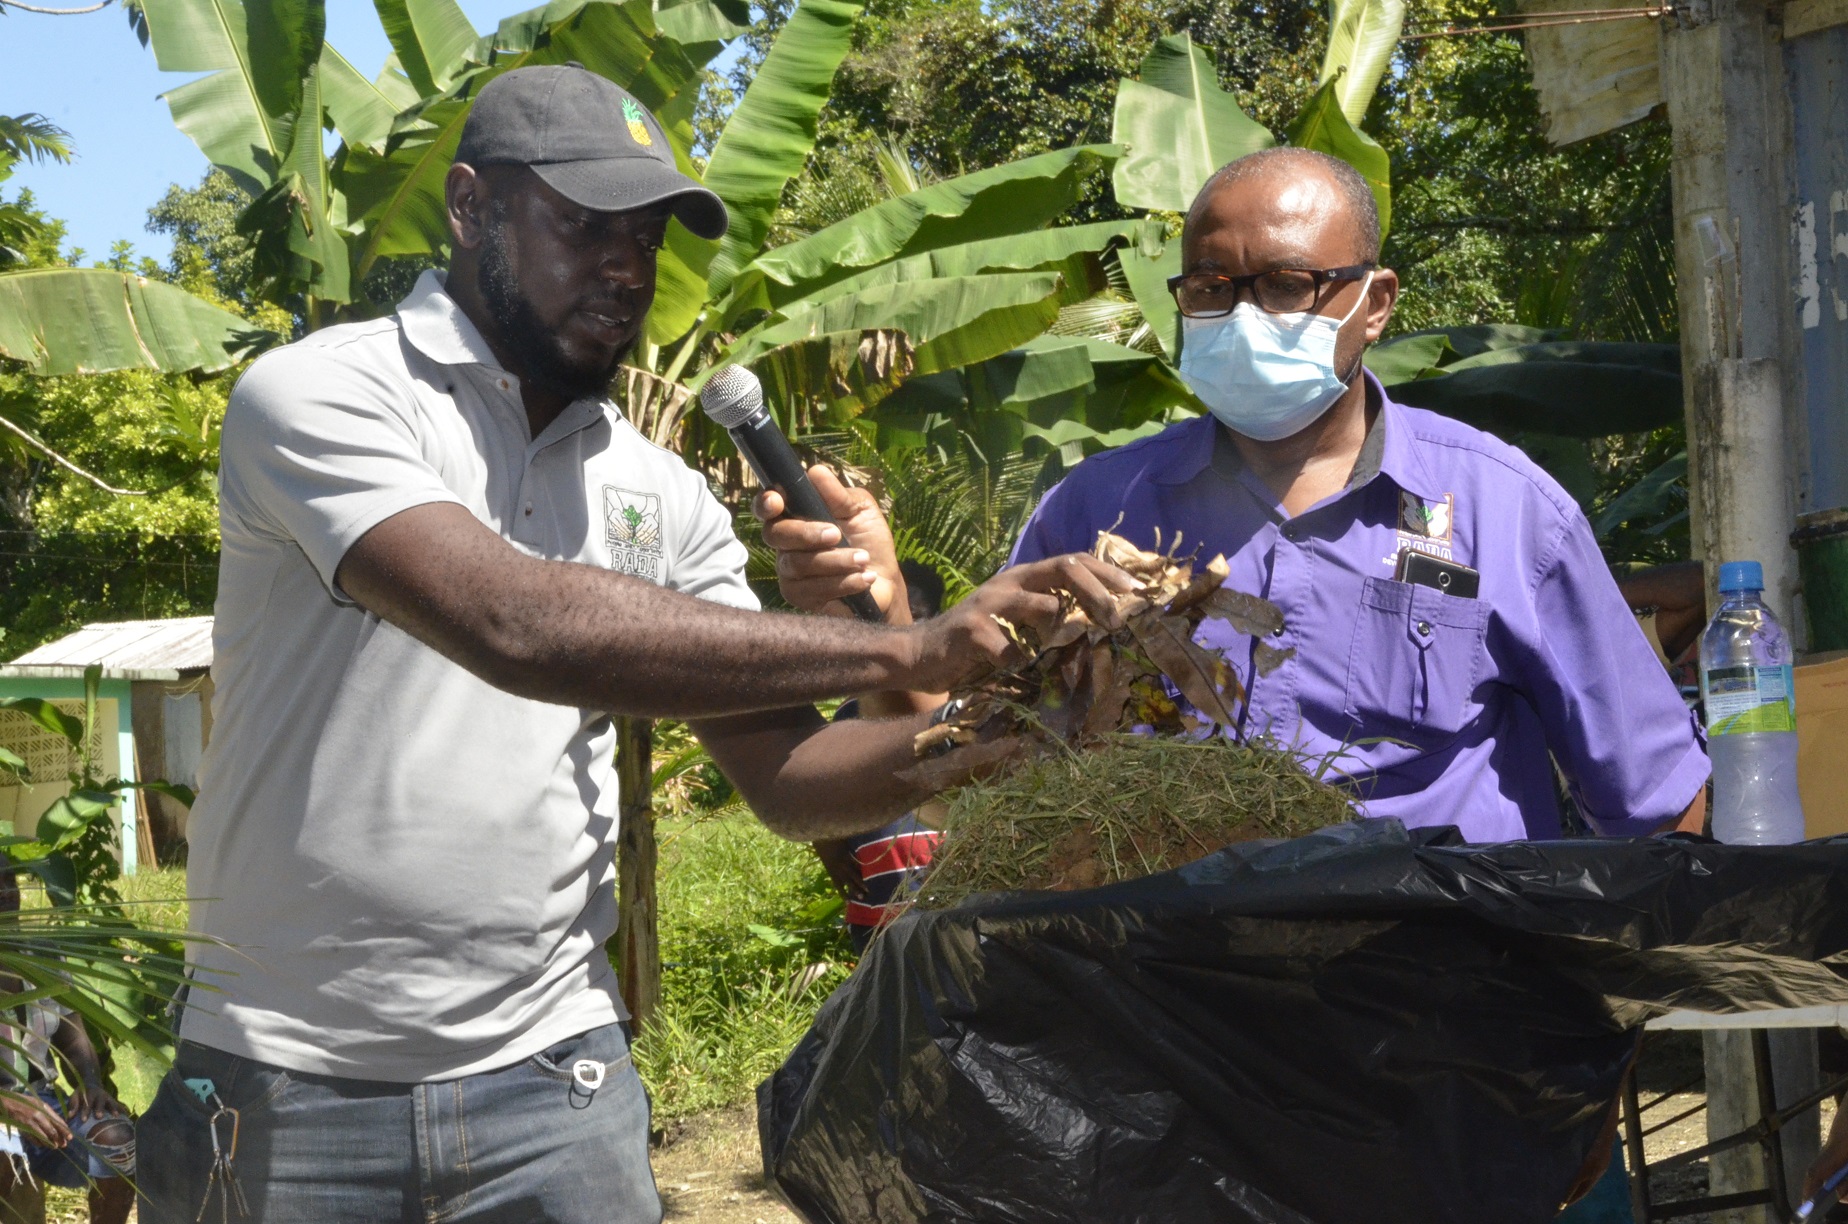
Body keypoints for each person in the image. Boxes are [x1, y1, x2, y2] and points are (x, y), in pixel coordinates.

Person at [133, 65, 1132, 1224]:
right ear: (470, 206)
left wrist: (1005, 734)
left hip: (553, 1081)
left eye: (648, 238)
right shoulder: (323, 396)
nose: (626, 267)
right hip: (283, 1084)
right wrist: (908, 655)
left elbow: (795, 784)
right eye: (584, 226)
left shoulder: (662, 494)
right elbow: (514, 623)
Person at [761, 146, 1709, 844]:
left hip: (1449, 1025)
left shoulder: (1505, 510)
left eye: (1288, 285)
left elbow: (1655, 798)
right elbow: (960, 771)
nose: (1246, 317)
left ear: (1373, 304)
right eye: (1212, 290)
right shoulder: (1094, 515)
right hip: (1179, 1030)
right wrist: (883, 609)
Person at [811, 561, 949, 951]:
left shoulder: (956, 710)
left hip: (950, 901)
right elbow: (827, 792)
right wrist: (830, 851)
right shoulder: (848, 716)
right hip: (878, 910)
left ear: (938, 620)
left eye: (915, 616)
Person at [0, 870, 135, 1224]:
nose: (6, 892)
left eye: (9, 881)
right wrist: (8, 1105)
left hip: (42, 1102)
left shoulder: (42, 954)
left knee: (116, 1139)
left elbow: (72, 1034)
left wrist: (89, 1082)